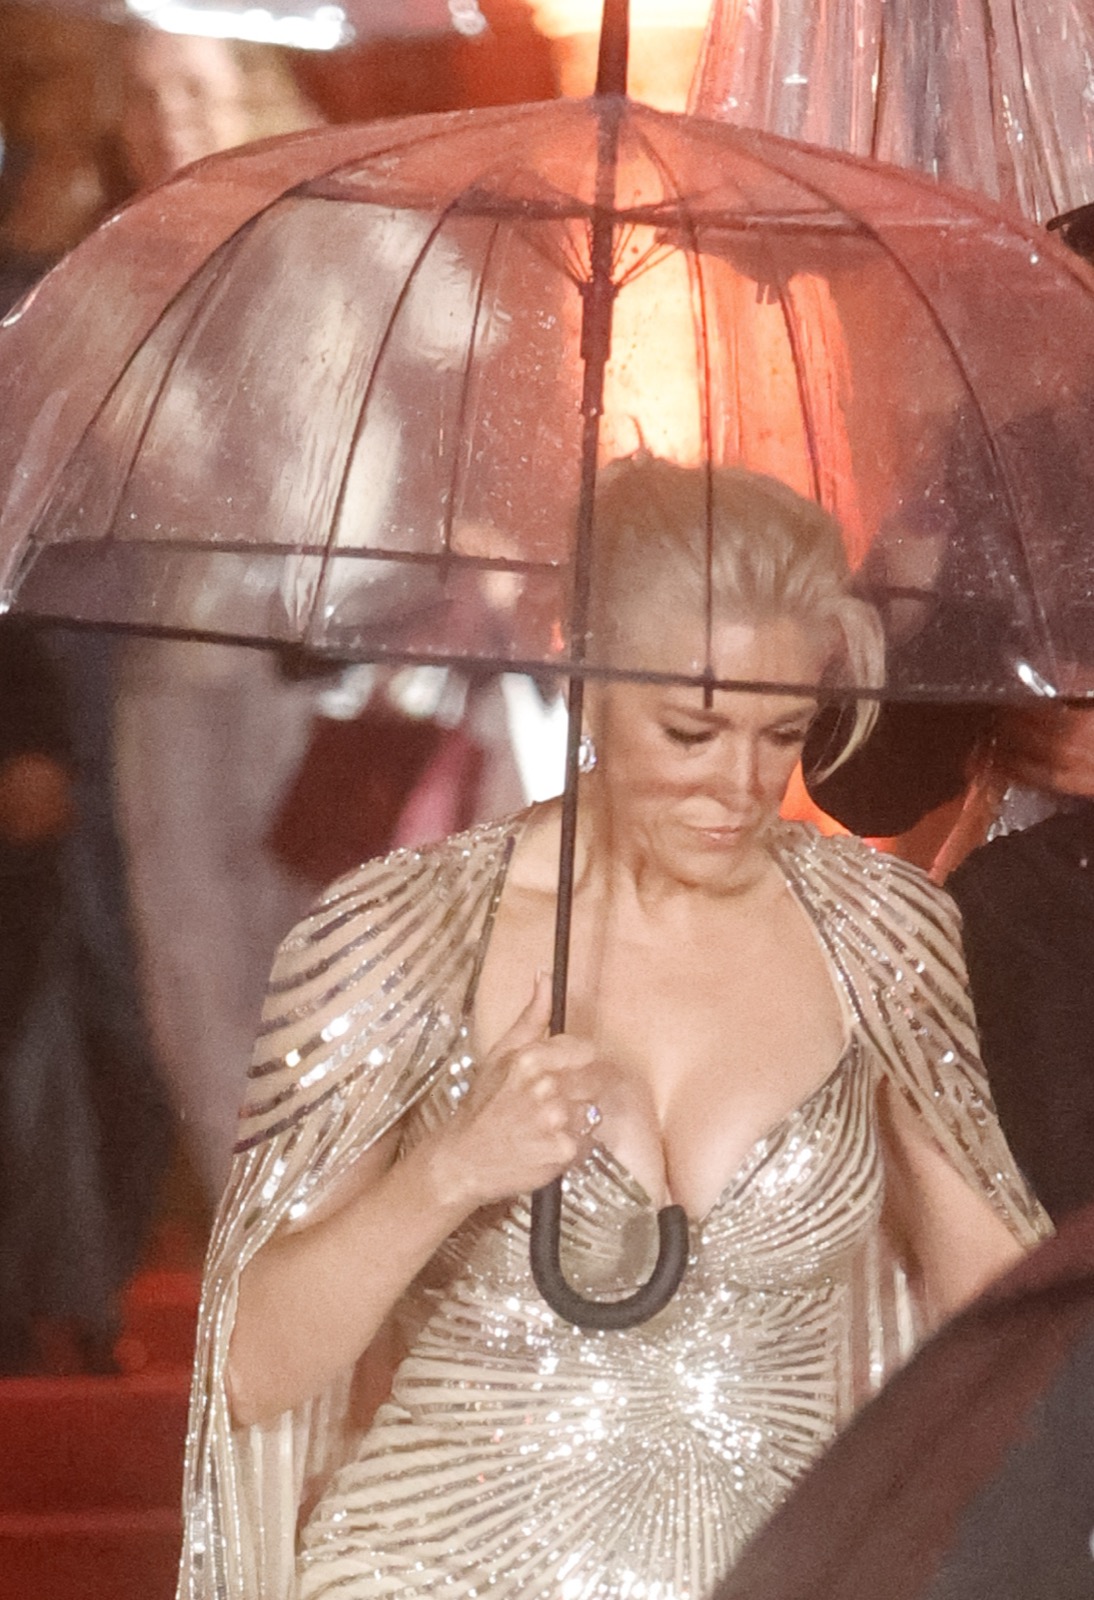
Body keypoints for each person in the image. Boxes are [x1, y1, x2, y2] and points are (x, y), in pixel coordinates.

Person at [177, 458, 1048, 1600]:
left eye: (781, 732)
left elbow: (996, 1331)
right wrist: (450, 1171)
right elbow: (250, 1367)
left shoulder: (878, 935)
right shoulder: (409, 930)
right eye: (690, 731)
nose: (739, 785)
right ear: (580, 670)